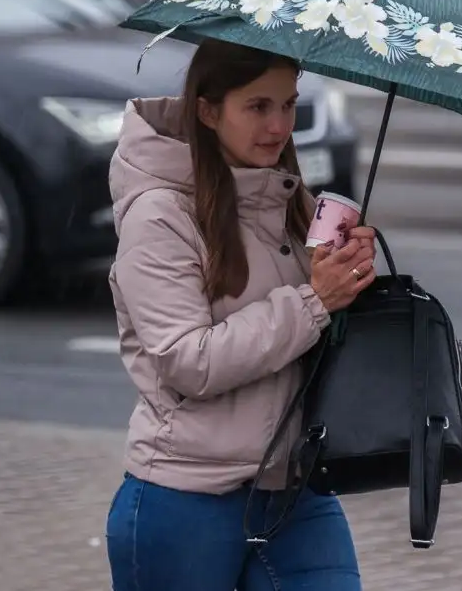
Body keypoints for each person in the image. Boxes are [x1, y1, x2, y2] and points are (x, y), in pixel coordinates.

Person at [105, 38, 376, 591]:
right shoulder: (159, 215)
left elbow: (314, 344)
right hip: (186, 496)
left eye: (288, 106)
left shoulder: (291, 203)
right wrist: (313, 300)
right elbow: (189, 361)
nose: (278, 126)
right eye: (258, 107)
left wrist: (349, 279)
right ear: (208, 110)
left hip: (293, 489)